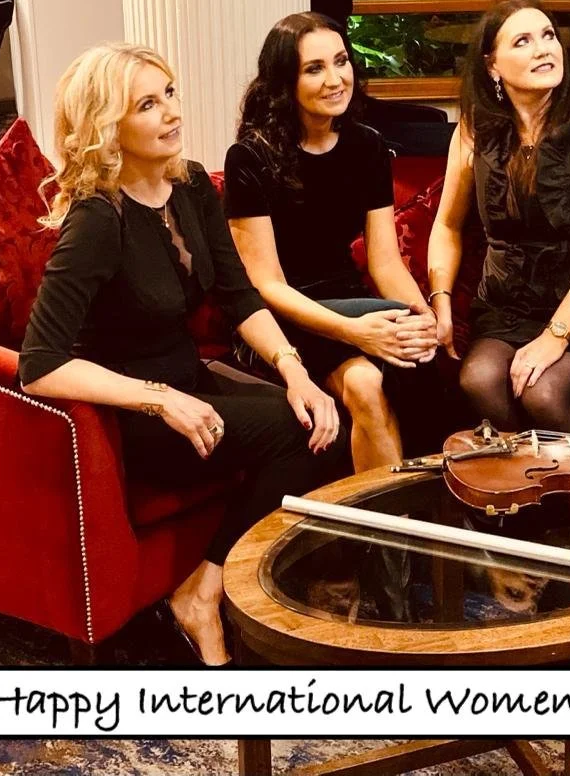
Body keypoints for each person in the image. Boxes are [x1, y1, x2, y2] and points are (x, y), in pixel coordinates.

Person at [18, 43, 345, 666]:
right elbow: (40, 363)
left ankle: (230, 584)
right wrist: (159, 399)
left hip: (189, 382)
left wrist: (295, 371)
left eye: (169, 93)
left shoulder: (188, 183)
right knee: (291, 433)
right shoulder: (96, 219)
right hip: (136, 418)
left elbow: (238, 294)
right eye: (147, 104)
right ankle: (203, 591)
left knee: (325, 416)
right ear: (107, 125)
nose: (171, 113)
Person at [225, 12, 439, 473]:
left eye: (341, 61)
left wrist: (425, 318)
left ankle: (406, 525)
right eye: (314, 68)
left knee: (402, 362)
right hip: (281, 315)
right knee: (375, 371)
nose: (335, 79)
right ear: (286, 82)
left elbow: (385, 263)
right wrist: (355, 330)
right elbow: (267, 285)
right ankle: (389, 536)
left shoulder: (368, 146)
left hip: (348, 298)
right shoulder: (250, 157)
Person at [427, 0, 570, 434]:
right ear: (492, 65)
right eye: (523, 41)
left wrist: (555, 337)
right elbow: (447, 225)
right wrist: (442, 301)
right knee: (478, 380)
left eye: (548, 36)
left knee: (542, 392)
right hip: (510, 305)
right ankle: (533, 499)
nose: (544, 49)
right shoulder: (475, 129)